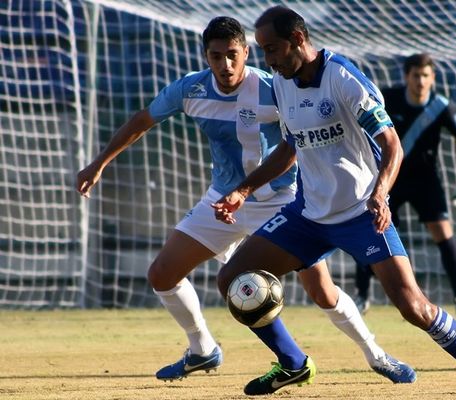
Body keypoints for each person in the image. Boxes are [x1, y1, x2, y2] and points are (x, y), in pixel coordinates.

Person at [75, 16, 411, 384]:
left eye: (232, 55)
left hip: (281, 201)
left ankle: (376, 355)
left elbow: (299, 138)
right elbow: (142, 120)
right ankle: (203, 349)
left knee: (321, 291)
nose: (225, 65)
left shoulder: (274, 86)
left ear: (246, 53)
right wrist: (98, 163)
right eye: (215, 56)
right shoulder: (190, 90)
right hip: (222, 202)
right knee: (162, 274)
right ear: (206, 57)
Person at [212, 6, 456, 396]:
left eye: (272, 49)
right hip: (307, 215)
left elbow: (391, 143)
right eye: (263, 51)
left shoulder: (344, 78)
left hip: (362, 213)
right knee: (230, 279)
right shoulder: (282, 82)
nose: (268, 60)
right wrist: (243, 189)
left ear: (297, 40)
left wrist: (380, 194)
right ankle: (293, 364)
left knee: (414, 307)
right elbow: (291, 145)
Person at [353, 53, 456, 318]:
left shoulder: (442, 106)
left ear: (432, 79)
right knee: (372, 233)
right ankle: (362, 296)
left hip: (426, 180)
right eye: (416, 76)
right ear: (406, 76)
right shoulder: (389, 99)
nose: (421, 81)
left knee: (443, 233)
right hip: (389, 177)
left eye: (425, 76)